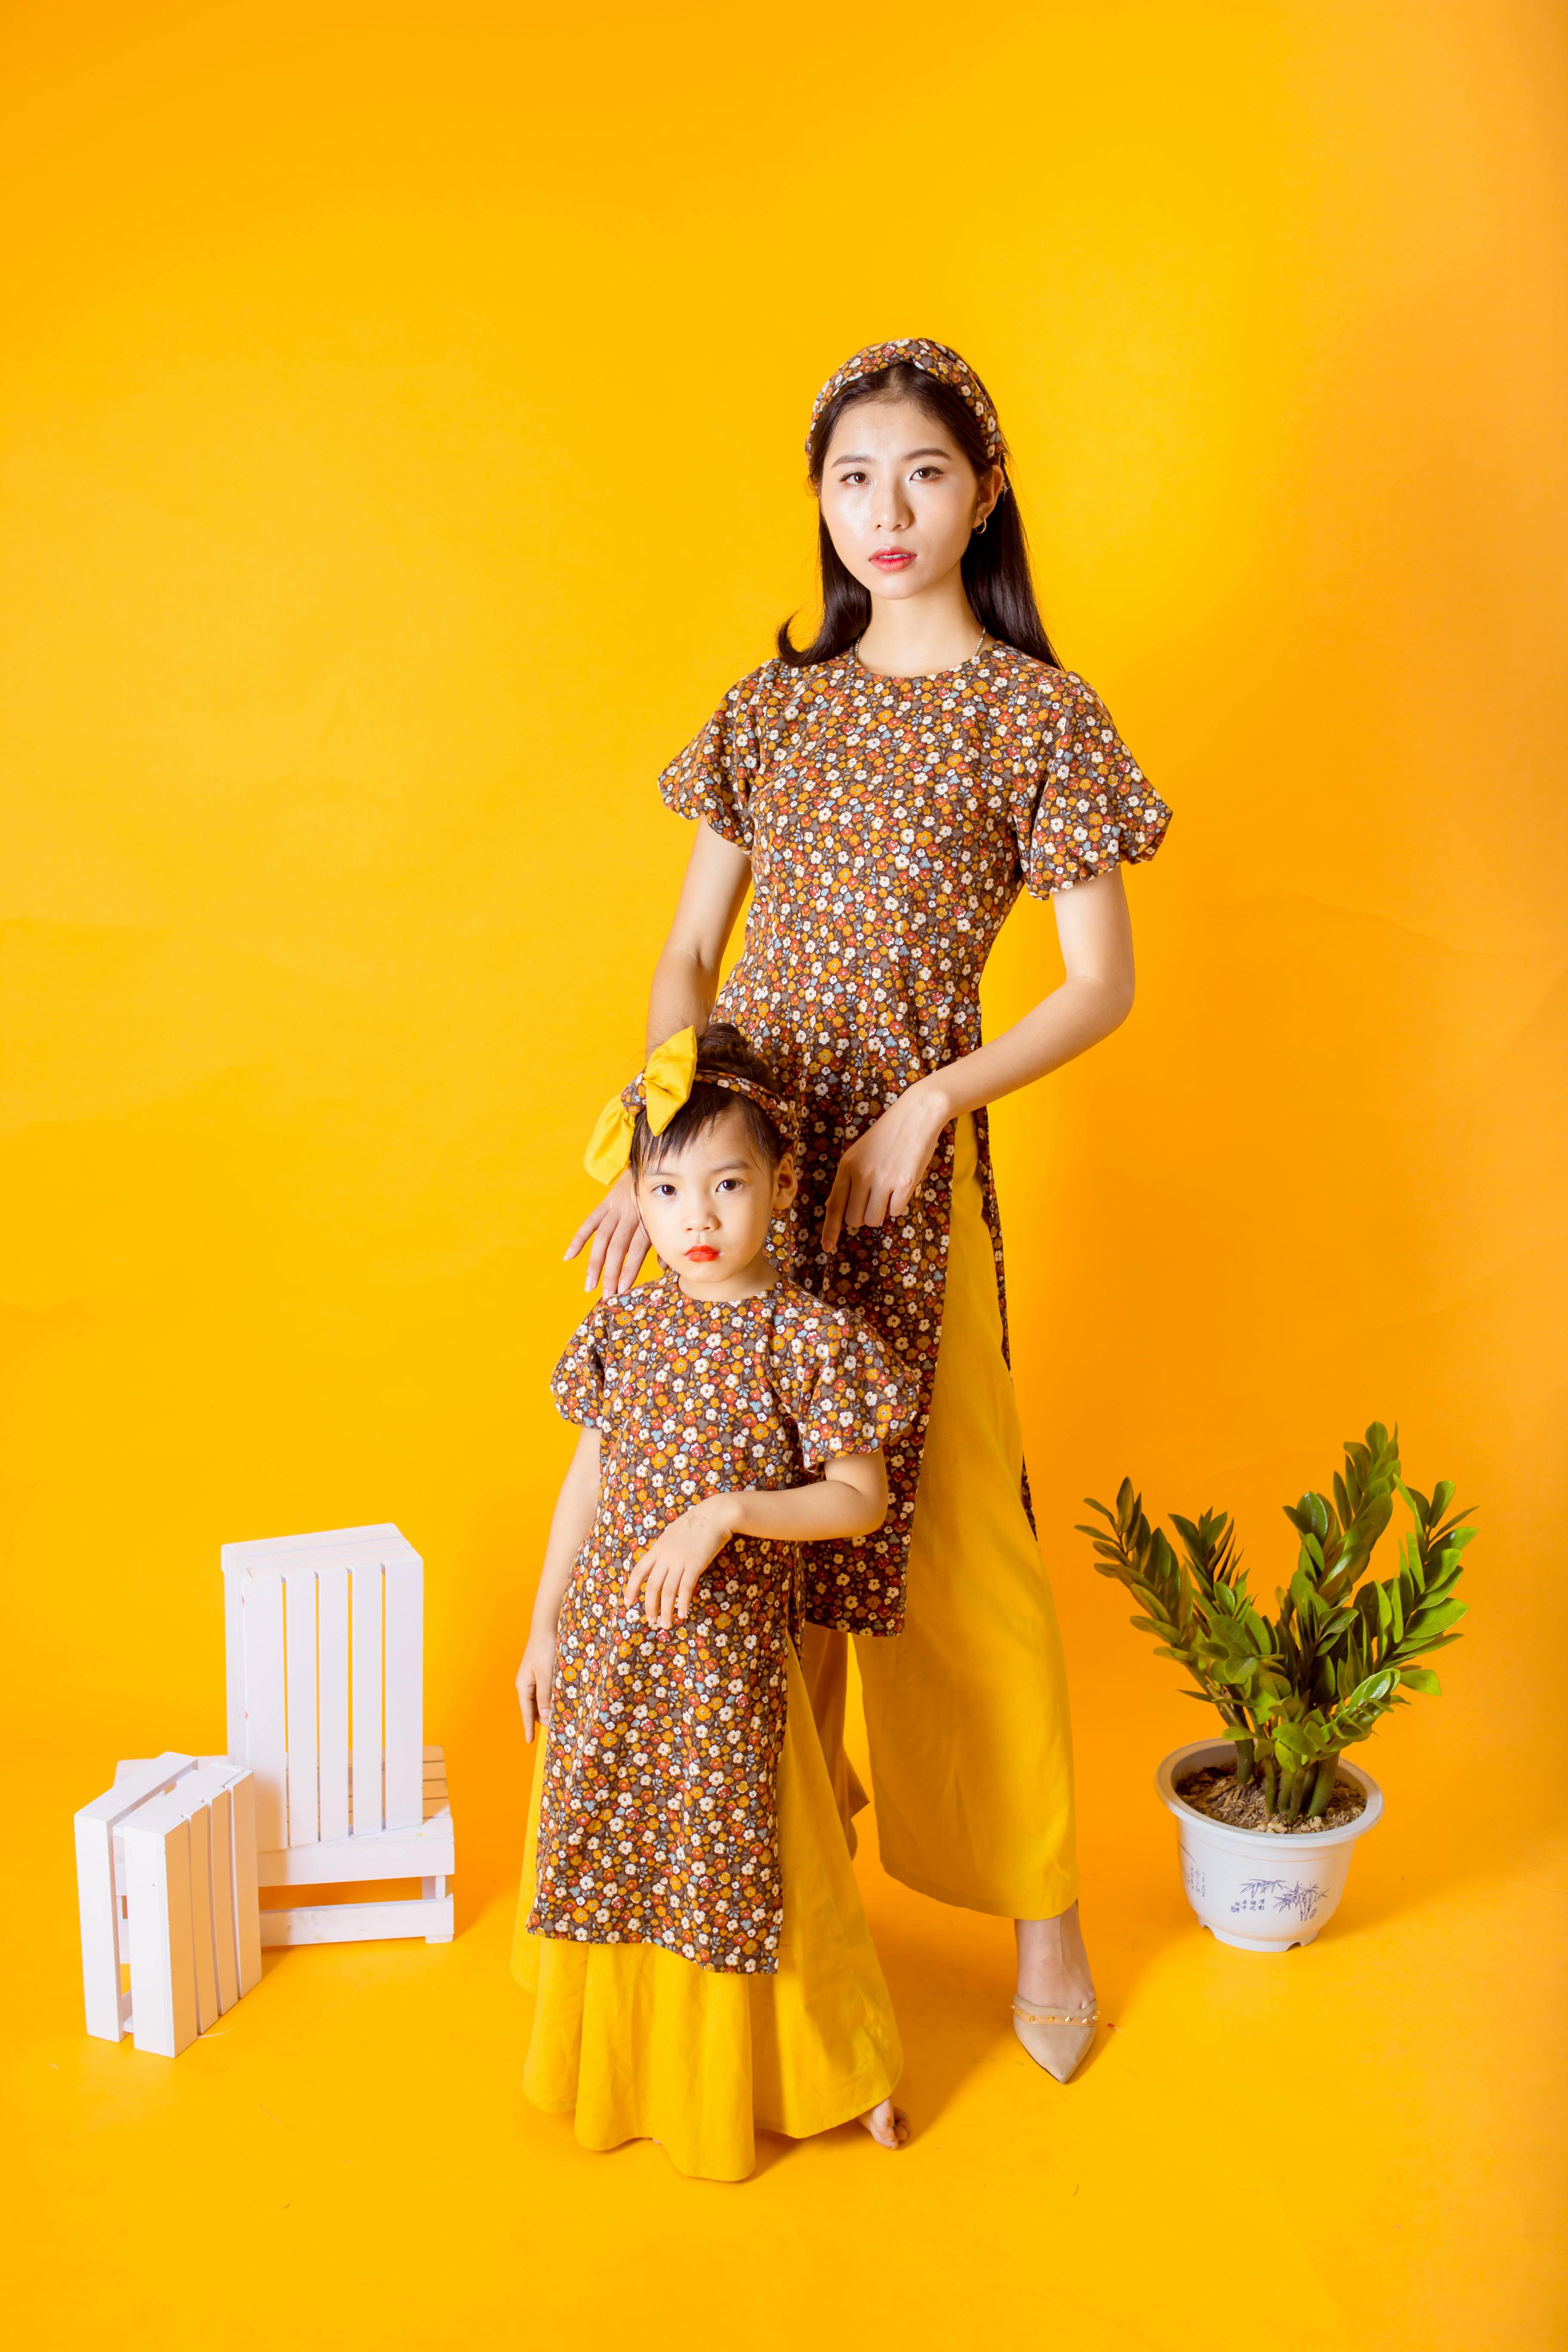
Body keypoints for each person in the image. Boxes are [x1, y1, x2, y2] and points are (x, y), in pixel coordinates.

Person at [566, 338, 1173, 2083]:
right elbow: (689, 952)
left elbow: (1097, 986)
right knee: (728, 1513)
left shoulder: (1039, 717)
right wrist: (660, 1135)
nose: (883, 512)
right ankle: (777, 1916)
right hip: (735, 1173)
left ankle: (1044, 1919)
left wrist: (932, 1100)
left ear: (982, 491)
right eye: (850, 480)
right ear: (820, 506)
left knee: (947, 1536)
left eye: (919, 473)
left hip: (899, 1177)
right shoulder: (774, 708)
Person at [514, 1021, 913, 2180]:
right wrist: (544, 1628)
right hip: (608, 1657)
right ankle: (623, 2074)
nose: (696, 1219)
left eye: (727, 1185)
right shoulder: (625, 1333)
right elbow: (584, 1481)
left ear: (782, 1188)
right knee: (611, 1854)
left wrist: (730, 1512)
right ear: (640, 1198)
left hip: (726, 1674)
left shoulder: (807, 1341)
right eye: (669, 1189)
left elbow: (857, 1501)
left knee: (764, 1873)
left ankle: (836, 2072)